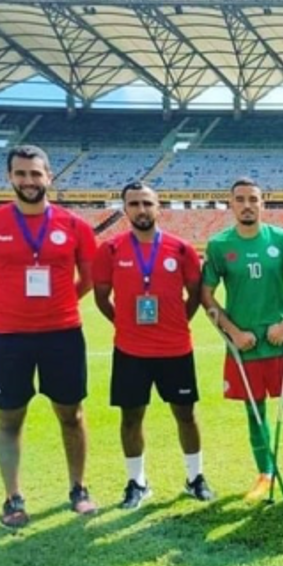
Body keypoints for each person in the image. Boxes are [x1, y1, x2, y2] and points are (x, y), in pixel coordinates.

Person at [0, 145, 98, 528]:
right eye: (21, 174)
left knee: (71, 414)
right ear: (10, 177)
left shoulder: (74, 225)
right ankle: (13, 497)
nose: (29, 181)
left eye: (36, 173)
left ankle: (78, 488)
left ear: (49, 177)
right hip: (8, 336)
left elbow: (88, 279)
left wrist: (59, 303)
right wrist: (12, 305)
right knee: (9, 417)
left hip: (63, 334)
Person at [93, 181, 214, 509]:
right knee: (131, 417)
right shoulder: (110, 250)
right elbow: (101, 297)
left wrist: (178, 323)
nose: (142, 210)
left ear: (159, 207)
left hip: (176, 349)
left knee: (186, 414)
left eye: (147, 203)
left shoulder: (181, 249)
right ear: (124, 209)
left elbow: (195, 295)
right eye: (134, 204)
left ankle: (195, 478)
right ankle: (137, 482)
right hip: (130, 351)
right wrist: (122, 324)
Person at [201, 177, 283, 502]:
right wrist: (233, 332)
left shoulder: (282, 240)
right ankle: (265, 473)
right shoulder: (219, 246)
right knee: (254, 411)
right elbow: (206, 295)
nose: (247, 205)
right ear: (231, 204)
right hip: (244, 345)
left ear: (263, 203)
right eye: (240, 199)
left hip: (280, 341)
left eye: (253, 199)